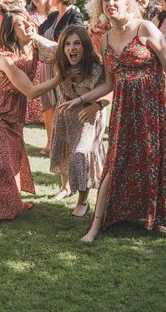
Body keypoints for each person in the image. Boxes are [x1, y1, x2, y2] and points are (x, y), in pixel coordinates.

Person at [58, 0, 166, 243]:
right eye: (106, 1)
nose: (110, 4)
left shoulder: (145, 28)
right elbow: (108, 84)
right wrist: (80, 99)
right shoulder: (104, 39)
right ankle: (95, 227)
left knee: (158, 159)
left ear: (128, 3)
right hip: (126, 109)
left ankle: (160, 218)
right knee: (116, 163)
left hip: (157, 105)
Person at [0, 3, 62, 232]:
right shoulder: (6, 58)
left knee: (13, 157)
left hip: (14, 109)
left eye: (27, 21)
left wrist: (37, 36)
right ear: (10, 31)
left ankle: (11, 202)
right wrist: (58, 79)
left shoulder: (35, 47)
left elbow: (59, 51)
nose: (25, 26)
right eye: (19, 25)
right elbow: (31, 91)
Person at [51, 25, 112, 217]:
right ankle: (65, 187)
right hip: (66, 112)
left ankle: (83, 201)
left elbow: (111, 91)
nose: (72, 48)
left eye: (77, 43)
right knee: (66, 149)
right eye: (67, 44)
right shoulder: (61, 64)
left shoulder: (97, 68)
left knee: (80, 154)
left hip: (90, 114)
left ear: (85, 46)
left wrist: (96, 106)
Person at [38, 0, 84, 197]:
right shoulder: (52, 16)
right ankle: (64, 184)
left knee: (66, 126)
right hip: (46, 69)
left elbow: (72, 45)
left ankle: (72, 184)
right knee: (54, 125)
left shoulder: (75, 16)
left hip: (63, 73)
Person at [26, 0, 54, 125]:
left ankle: (47, 116)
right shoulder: (29, 14)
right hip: (33, 52)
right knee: (34, 81)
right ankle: (33, 115)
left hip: (50, 53)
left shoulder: (54, 14)